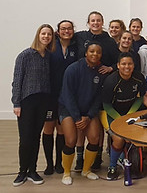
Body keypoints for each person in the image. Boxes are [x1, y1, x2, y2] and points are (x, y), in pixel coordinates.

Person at [74, 11, 118, 170]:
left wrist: (110, 68)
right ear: (88, 22)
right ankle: (80, 158)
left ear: (102, 22)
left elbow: (117, 62)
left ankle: (97, 156)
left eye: (98, 20)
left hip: (102, 86)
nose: (96, 23)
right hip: (82, 86)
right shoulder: (80, 37)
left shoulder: (110, 41)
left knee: (97, 123)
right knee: (81, 122)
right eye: (93, 20)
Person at [12, 24, 55, 187]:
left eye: (49, 34)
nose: (46, 37)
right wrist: (16, 102)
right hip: (26, 101)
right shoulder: (25, 55)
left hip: (43, 101)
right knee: (25, 138)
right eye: (43, 34)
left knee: (36, 136)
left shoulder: (49, 57)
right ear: (38, 35)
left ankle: (32, 170)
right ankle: (22, 171)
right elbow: (17, 81)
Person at [58, 42, 107, 185]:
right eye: (92, 51)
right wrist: (78, 118)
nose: (95, 54)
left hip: (88, 111)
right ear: (86, 53)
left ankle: (86, 170)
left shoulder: (101, 71)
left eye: (98, 52)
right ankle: (67, 172)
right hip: (68, 109)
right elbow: (67, 95)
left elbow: (99, 97)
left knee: (94, 138)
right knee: (71, 140)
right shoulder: (72, 69)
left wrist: (89, 116)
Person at [101, 52, 146, 180]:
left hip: (129, 113)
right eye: (124, 64)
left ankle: (129, 159)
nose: (127, 67)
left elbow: (140, 98)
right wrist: (121, 120)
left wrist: (129, 115)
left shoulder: (139, 78)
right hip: (110, 113)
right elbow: (106, 106)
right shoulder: (111, 81)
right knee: (119, 139)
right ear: (118, 65)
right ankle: (112, 166)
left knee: (137, 136)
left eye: (130, 64)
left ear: (134, 65)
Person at [43, 20, 77, 176]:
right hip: (50, 94)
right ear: (58, 31)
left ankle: (59, 163)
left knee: (62, 129)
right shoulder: (51, 46)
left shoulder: (76, 47)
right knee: (49, 129)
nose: (66, 31)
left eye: (69, 29)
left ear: (73, 30)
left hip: (67, 96)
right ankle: (49, 164)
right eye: (63, 29)